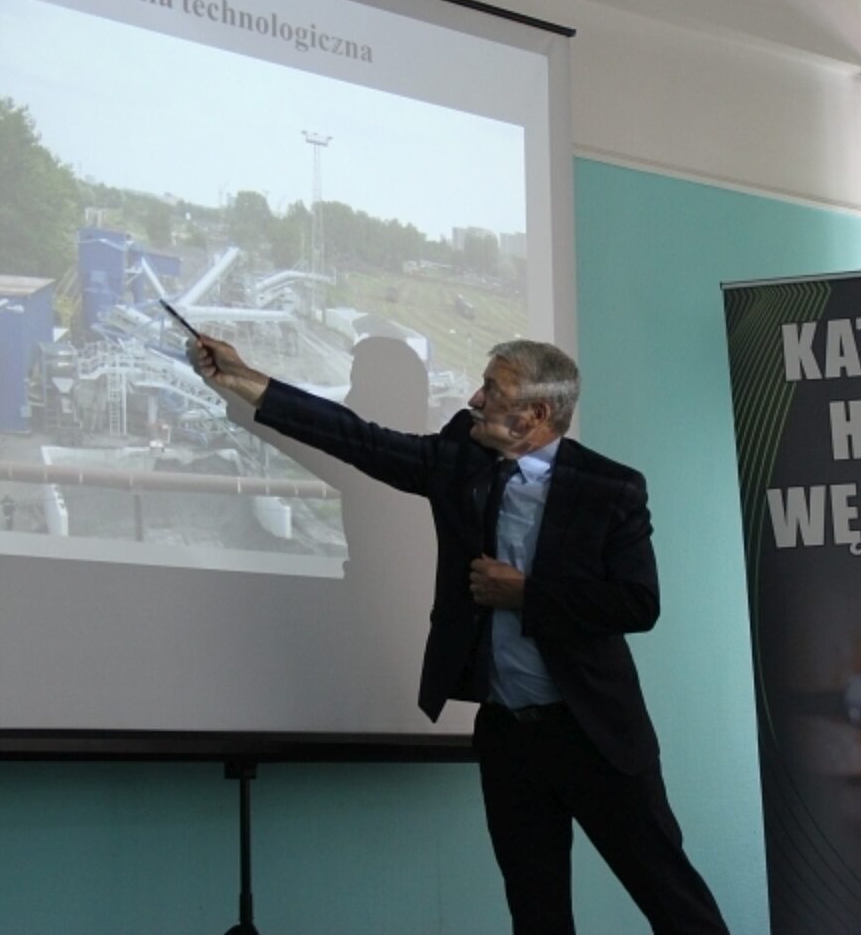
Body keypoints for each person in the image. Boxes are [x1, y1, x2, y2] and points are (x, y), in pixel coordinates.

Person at [189, 335, 728, 935]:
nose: (474, 398)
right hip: (508, 737)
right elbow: (358, 439)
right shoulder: (460, 459)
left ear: (535, 414)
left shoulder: (610, 487)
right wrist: (244, 380)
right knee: (536, 916)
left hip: (595, 732)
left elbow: (638, 603)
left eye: (492, 389)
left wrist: (527, 593)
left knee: (674, 903)